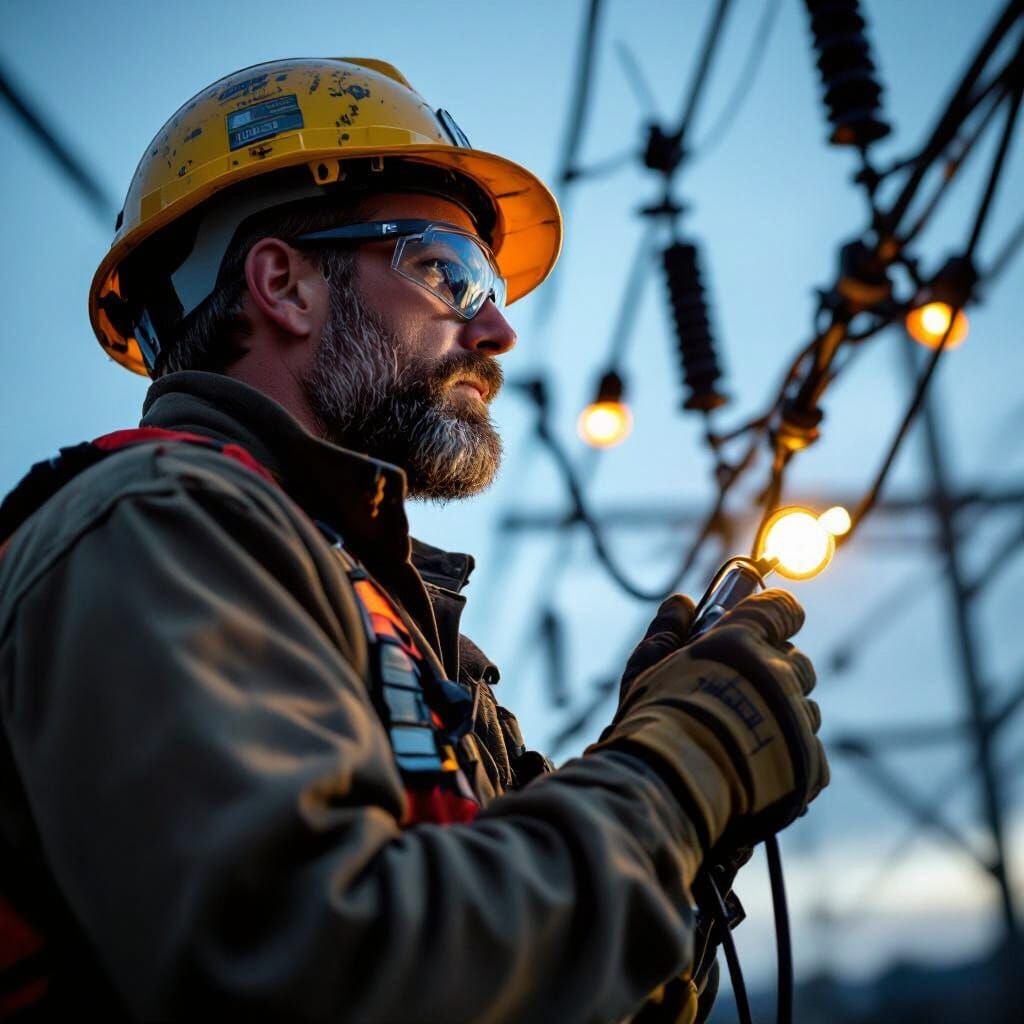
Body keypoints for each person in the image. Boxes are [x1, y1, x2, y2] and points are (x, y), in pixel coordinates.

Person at [0, 58, 828, 1023]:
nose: (499, 330)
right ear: (285, 285)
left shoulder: (389, 623)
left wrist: (686, 821)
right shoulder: (155, 529)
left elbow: (528, 985)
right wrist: (681, 772)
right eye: (449, 273)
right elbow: (319, 976)